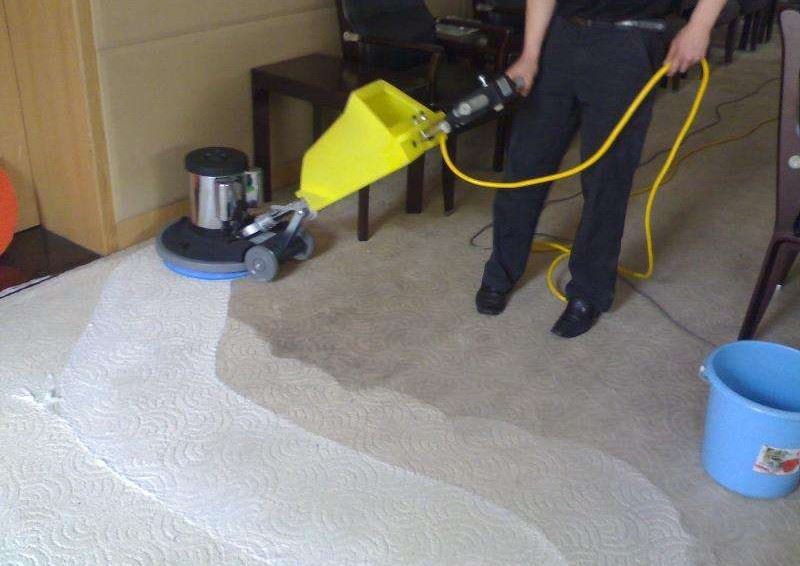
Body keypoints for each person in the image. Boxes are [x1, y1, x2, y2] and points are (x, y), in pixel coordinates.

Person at [476, 0, 728, 338]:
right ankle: (500, 272)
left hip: (628, 42)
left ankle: (589, 291)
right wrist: (531, 53)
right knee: (525, 163)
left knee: (607, 177)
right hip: (560, 34)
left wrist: (699, 25)